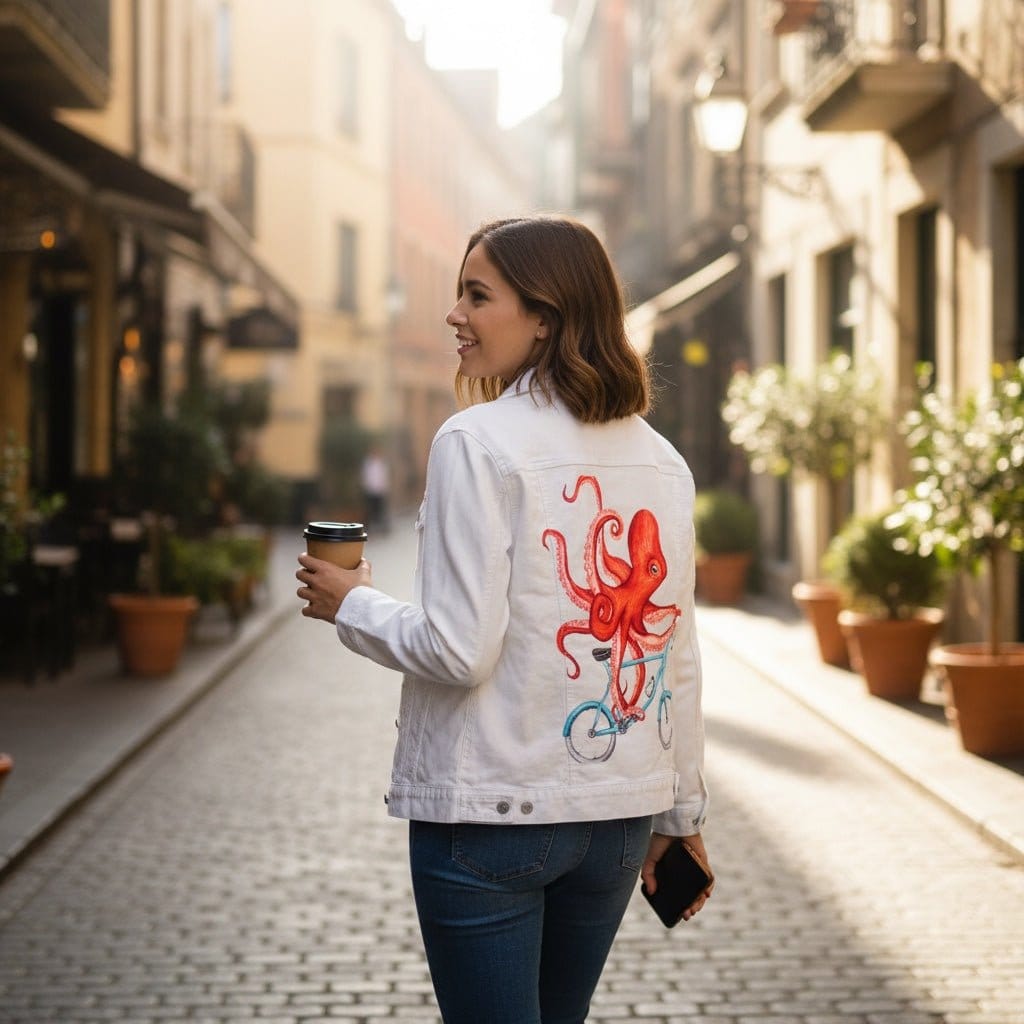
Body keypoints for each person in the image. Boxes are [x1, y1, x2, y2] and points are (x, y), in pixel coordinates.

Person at [296, 216, 712, 1024]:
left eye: (476, 295)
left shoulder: (475, 442)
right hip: (619, 822)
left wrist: (352, 606)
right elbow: (674, 652)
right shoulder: (664, 460)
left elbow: (458, 649)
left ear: (547, 316)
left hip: (493, 820)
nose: (453, 314)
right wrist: (682, 815)